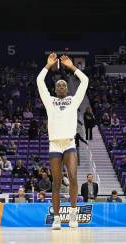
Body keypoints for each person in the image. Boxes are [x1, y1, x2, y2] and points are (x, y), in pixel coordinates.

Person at [37, 53, 89, 230]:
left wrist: (72, 67)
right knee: (56, 182)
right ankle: (57, 218)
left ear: (67, 89)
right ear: (55, 89)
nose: (60, 86)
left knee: (73, 178)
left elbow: (85, 81)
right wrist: (47, 66)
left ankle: (73, 214)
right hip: (54, 144)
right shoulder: (49, 101)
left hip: (69, 143)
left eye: (63, 84)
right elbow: (39, 81)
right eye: (58, 84)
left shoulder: (73, 101)